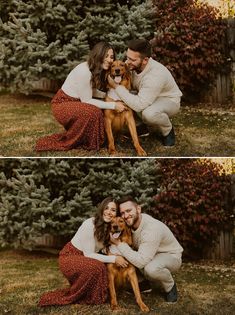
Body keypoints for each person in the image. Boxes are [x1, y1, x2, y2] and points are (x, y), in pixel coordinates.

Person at [35, 42, 125, 152]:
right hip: (62, 104)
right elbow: (87, 100)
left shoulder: (94, 69)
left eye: (111, 57)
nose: (110, 60)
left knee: (99, 111)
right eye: (106, 56)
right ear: (98, 55)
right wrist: (114, 105)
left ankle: (94, 137)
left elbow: (90, 90)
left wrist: (108, 95)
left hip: (75, 102)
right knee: (93, 112)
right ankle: (87, 140)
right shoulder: (85, 71)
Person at [39, 197, 128, 307]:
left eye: (113, 210)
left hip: (85, 257)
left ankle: (95, 294)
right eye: (106, 208)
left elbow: (100, 247)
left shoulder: (109, 227)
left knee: (103, 267)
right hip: (70, 256)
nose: (109, 212)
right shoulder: (90, 224)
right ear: (101, 209)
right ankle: (83, 295)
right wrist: (114, 259)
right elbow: (89, 254)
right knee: (97, 267)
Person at [108, 39, 182, 146]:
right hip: (148, 97)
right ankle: (141, 128)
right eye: (127, 57)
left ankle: (168, 130)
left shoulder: (155, 75)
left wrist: (115, 86)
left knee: (149, 114)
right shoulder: (132, 66)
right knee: (126, 97)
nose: (127, 62)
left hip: (169, 100)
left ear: (145, 60)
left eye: (132, 60)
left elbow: (139, 105)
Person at [110, 195, 183, 302]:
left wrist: (118, 244)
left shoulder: (151, 229)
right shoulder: (130, 224)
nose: (125, 215)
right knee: (131, 255)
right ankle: (143, 284)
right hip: (150, 254)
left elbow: (141, 261)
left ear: (138, 209)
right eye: (122, 213)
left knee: (150, 269)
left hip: (170, 256)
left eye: (129, 210)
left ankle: (170, 286)